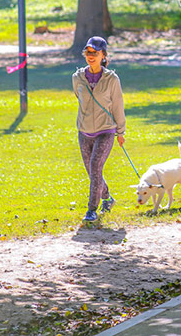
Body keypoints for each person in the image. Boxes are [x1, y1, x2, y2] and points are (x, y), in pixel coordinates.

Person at [72, 36, 126, 223]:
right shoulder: (77, 77)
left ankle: (91, 210)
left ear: (103, 55)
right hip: (84, 131)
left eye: (95, 52)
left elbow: (118, 105)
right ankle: (108, 199)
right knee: (93, 172)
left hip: (106, 131)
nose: (91, 56)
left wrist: (120, 132)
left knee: (96, 167)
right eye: (88, 52)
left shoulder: (112, 79)